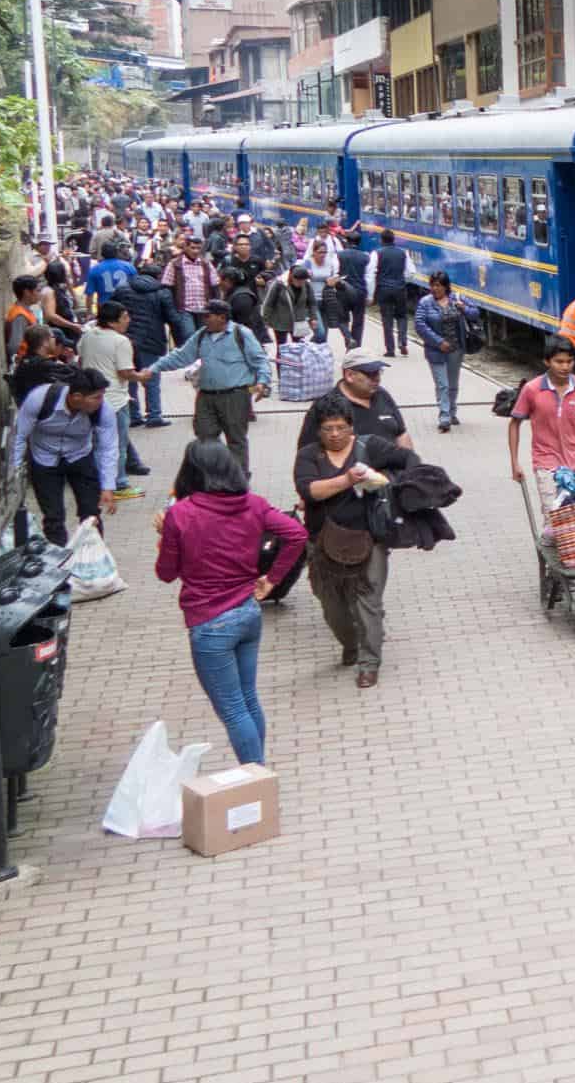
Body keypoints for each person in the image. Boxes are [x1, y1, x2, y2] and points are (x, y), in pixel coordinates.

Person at [154, 442, 305, 768]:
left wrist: (164, 536)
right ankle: (258, 773)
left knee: (234, 709)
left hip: (210, 624)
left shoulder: (179, 514)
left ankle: (256, 779)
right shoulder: (253, 504)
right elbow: (296, 534)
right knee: (248, 700)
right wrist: (271, 578)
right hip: (248, 614)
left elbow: (166, 573)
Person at [296, 394, 393, 688]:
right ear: (318, 430)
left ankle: (369, 662)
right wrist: (347, 480)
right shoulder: (308, 455)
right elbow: (310, 490)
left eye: (340, 427)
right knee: (332, 607)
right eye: (328, 428)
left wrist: (388, 480)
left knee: (368, 603)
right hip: (323, 543)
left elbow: (403, 462)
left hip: (368, 538)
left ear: (351, 426)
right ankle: (350, 643)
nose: (335, 434)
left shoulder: (369, 447)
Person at [144, 298, 271, 478]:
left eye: (208, 316)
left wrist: (263, 383)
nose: (204, 320)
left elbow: (260, 360)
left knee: (236, 439)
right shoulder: (202, 335)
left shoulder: (241, 334)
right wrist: (153, 369)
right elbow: (180, 356)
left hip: (235, 396)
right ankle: (212, 477)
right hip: (206, 396)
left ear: (222, 317)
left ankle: (239, 478)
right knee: (205, 437)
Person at [10, 367, 122, 546]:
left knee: (91, 514)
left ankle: (93, 559)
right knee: (53, 517)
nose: (101, 402)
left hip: (80, 456)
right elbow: (19, 437)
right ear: (76, 397)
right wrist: (14, 475)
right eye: (96, 397)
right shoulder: (40, 400)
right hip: (44, 459)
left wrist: (108, 486)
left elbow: (108, 448)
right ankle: (59, 561)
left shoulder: (103, 411)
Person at [509, 341, 575, 532]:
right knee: (553, 517)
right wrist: (515, 463)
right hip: (546, 464)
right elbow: (514, 424)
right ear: (547, 362)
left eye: (569, 361)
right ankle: (552, 556)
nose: (565, 367)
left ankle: (569, 558)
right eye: (559, 362)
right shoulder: (532, 389)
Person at [75, 300, 150, 489]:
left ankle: (99, 480)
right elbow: (125, 372)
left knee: (96, 443)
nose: (129, 320)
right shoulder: (121, 341)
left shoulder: (87, 337)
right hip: (115, 401)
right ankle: (118, 482)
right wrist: (142, 376)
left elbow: (81, 362)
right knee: (117, 445)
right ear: (112, 322)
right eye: (124, 317)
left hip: (90, 400)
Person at [296, 356, 414, 451]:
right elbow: (307, 452)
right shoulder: (326, 406)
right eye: (371, 374)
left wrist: (410, 468)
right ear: (349, 375)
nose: (377, 378)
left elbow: (401, 433)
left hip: (393, 476)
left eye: (379, 372)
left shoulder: (382, 394)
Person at [413, 271, 477, 430]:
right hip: (436, 350)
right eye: (432, 285)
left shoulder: (457, 298)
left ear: (446, 286)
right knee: (442, 384)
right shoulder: (425, 303)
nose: (434, 289)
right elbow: (420, 325)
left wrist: (464, 309)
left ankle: (452, 411)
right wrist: (438, 341)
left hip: (456, 349)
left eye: (438, 286)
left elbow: (475, 313)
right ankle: (444, 416)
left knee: (453, 383)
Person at [114, 261, 175, 427]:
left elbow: (111, 310)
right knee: (152, 378)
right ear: (157, 276)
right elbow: (172, 317)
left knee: (130, 378)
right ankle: (154, 415)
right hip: (152, 340)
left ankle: (134, 415)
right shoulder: (162, 292)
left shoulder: (122, 290)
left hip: (126, 340)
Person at [163, 235, 216, 344]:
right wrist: (172, 310)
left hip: (203, 307)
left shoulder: (206, 264)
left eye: (198, 248)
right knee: (189, 336)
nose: (196, 251)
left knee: (204, 337)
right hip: (184, 308)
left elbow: (215, 284)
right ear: (185, 247)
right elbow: (167, 287)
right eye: (192, 248)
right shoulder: (175, 264)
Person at [370, 228, 412, 357]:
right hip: (400, 288)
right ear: (394, 240)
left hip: (384, 289)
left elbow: (371, 273)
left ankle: (390, 349)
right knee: (402, 316)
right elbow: (411, 272)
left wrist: (371, 294)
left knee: (386, 318)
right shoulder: (403, 253)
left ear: (381, 240)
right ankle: (403, 341)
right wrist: (402, 280)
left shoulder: (377, 253)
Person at [263, 264, 314, 347]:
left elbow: (312, 302)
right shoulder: (279, 285)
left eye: (302, 281)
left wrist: (313, 317)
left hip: (299, 321)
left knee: (299, 347)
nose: (300, 283)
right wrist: (266, 320)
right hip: (280, 322)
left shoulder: (307, 285)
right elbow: (269, 303)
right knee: (282, 347)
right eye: (298, 280)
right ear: (291, 276)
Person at [4, 273, 47, 367]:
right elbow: (14, 346)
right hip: (28, 365)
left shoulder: (24, 311)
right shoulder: (20, 316)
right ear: (27, 292)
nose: (40, 294)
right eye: (37, 290)